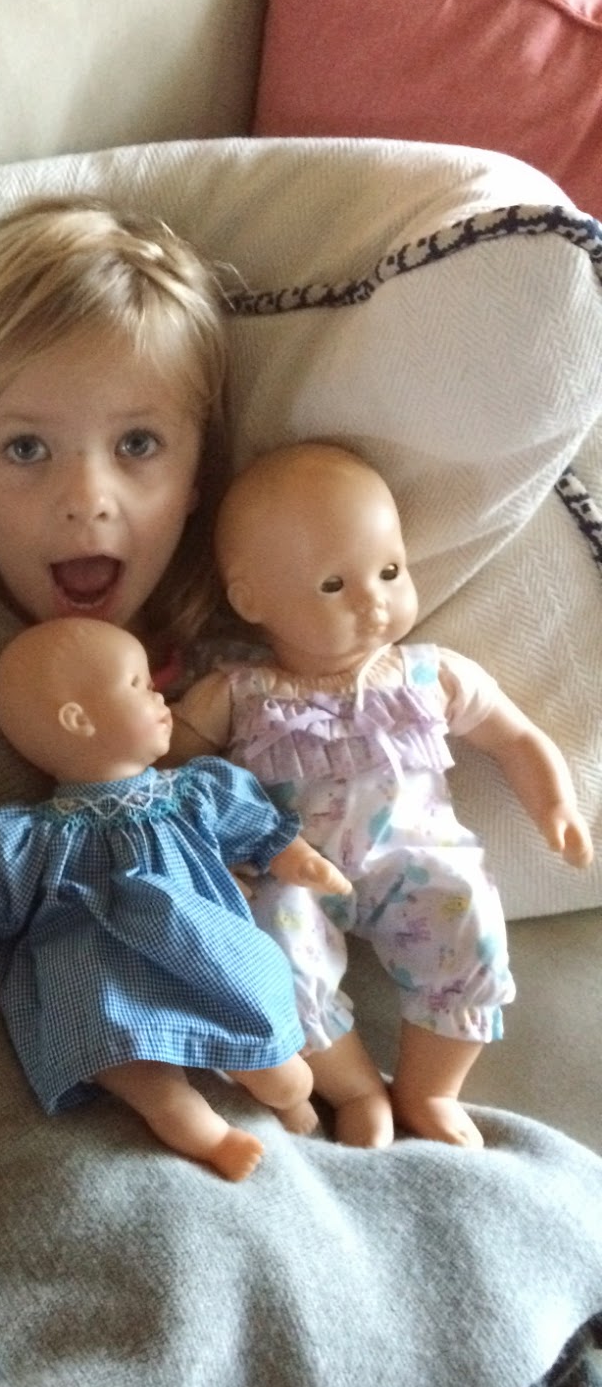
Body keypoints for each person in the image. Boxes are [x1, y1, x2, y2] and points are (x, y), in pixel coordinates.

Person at [172, 441, 595, 1149]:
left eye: (390, 571)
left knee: (471, 921)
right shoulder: (240, 694)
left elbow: (516, 737)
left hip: (418, 862)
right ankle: (356, 1088)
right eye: (334, 585)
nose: (372, 600)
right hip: (291, 871)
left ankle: (430, 1089)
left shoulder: (429, 676)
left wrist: (556, 808)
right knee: (275, 958)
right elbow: (171, 766)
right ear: (250, 599)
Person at [0, 616, 354, 1180]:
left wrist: (299, 859)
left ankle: (289, 1095)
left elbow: (258, 830)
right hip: (97, 973)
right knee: (132, 1065)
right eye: (139, 685)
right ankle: (203, 1133)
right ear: (78, 720)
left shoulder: (193, 791)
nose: (160, 697)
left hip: (201, 950)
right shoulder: (29, 834)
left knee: (279, 1061)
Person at [0, 196, 228, 685]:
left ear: (197, 470)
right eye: (26, 448)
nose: (87, 501)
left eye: (137, 443)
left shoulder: (233, 677)